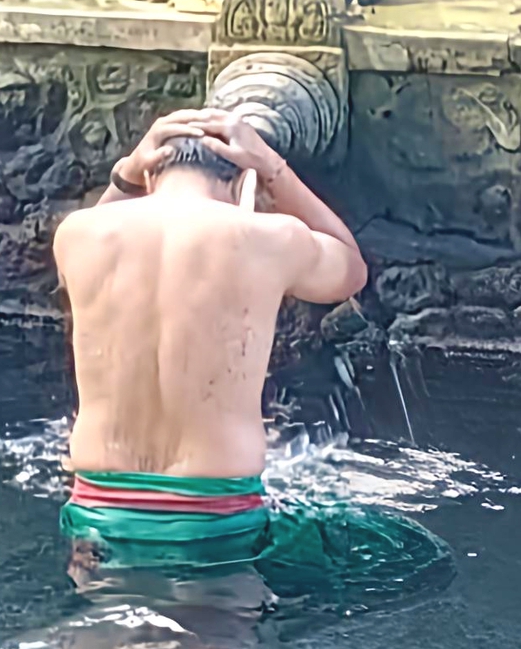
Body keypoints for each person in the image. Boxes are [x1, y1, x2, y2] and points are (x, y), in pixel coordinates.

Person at [50, 106, 369, 573]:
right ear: (242, 184)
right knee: (212, 639)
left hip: (99, 505)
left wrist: (125, 172)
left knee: (105, 639)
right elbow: (351, 270)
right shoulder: (268, 237)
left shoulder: (77, 233)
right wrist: (275, 169)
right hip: (212, 512)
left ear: (149, 173)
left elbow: (103, 225)